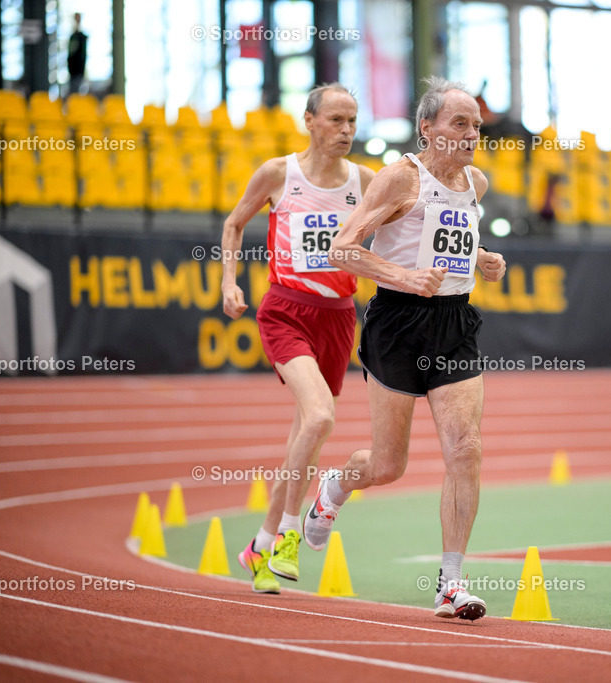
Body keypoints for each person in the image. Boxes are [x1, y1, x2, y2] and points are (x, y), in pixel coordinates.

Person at [309, 76, 507, 620]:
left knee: (465, 447)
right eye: (459, 124)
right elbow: (342, 248)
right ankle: (336, 485)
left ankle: (450, 585)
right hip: (398, 322)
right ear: (428, 128)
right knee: (388, 465)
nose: (470, 135)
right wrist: (401, 274)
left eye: (476, 126)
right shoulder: (401, 179)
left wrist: (482, 259)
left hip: (454, 324)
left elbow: (453, 236)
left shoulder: (477, 183)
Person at [220, 83, 376, 594]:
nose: (346, 131)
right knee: (322, 419)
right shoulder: (277, 174)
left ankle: (258, 547)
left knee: (303, 440)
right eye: (335, 120)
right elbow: (234, 222)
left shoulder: (365, 182)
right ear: (309, 121)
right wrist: (228, 282)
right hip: (287, 311)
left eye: (352, 120)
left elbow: (414, 223)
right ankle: (288, 536)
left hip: (338, 317)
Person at [67, 13, 87, 97]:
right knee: (73, 95)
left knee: (78, 95)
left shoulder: (82, 37)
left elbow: (83, 54)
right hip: (73, 71)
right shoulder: (72, 37)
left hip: (79, 71)